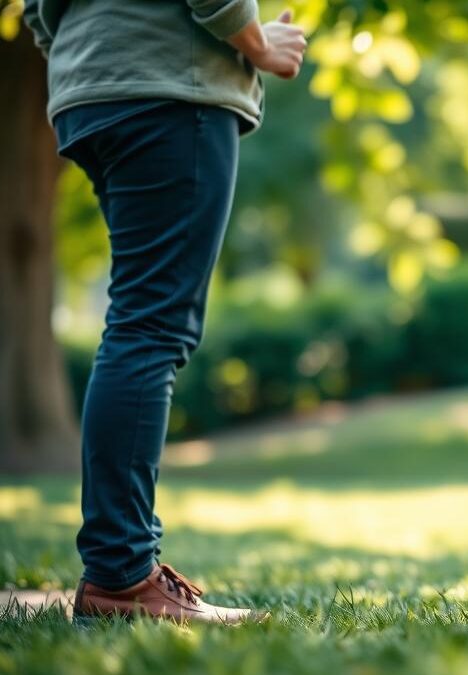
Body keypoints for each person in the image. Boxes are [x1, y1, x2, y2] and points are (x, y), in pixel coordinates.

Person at [22, 0, 307, 624]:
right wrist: (259, 45)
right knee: (150, 328)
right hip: (170, 89)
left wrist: (88, 49)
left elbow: (38, 10)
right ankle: (121, 576)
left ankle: (120, 569)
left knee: (136, 321)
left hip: (89, 92)